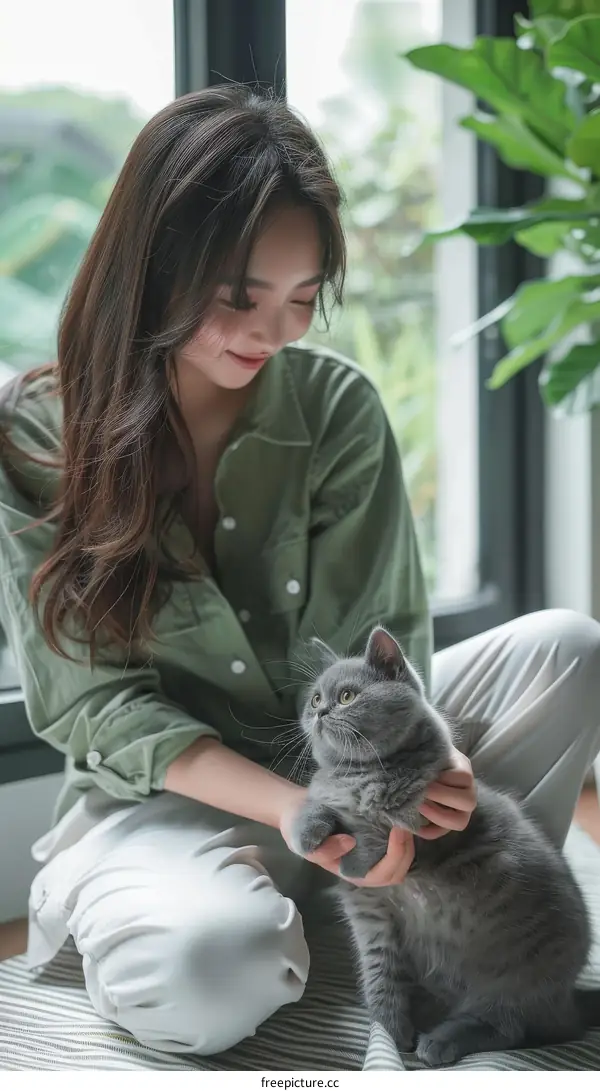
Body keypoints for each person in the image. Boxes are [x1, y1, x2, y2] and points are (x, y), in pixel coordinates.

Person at [0, 85, 598, 1058]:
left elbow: (386, 646)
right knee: (201, 978)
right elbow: (94, 707)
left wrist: (438, 768)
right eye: (240, 296)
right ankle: (285, 910)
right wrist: (293, 808)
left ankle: (442, 925)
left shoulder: (336, 409)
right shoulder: (35, 436)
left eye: (302, 298)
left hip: (360, 778)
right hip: (175, 801)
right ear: (153, 266)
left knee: (566, 647)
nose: (272, 332)